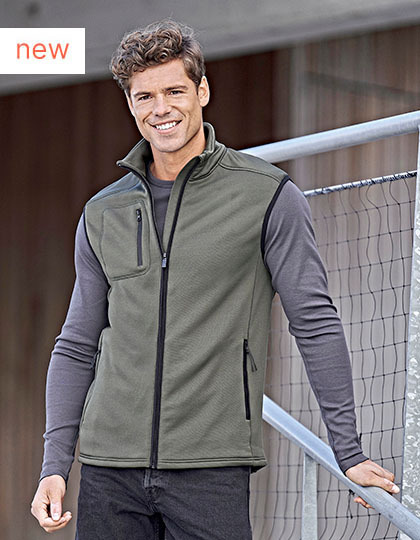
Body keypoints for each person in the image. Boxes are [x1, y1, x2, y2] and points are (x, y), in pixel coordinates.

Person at [31, 19, 399, 539]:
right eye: (145, 97)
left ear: (202, 90)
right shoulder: (102, 213)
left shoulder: (267, 195)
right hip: (108, 468)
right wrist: (54, 465)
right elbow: (75, 344)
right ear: (131, 105)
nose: (161, 109)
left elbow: (315, 323)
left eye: (175, 91)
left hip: (211, 467)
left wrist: (349, 453)